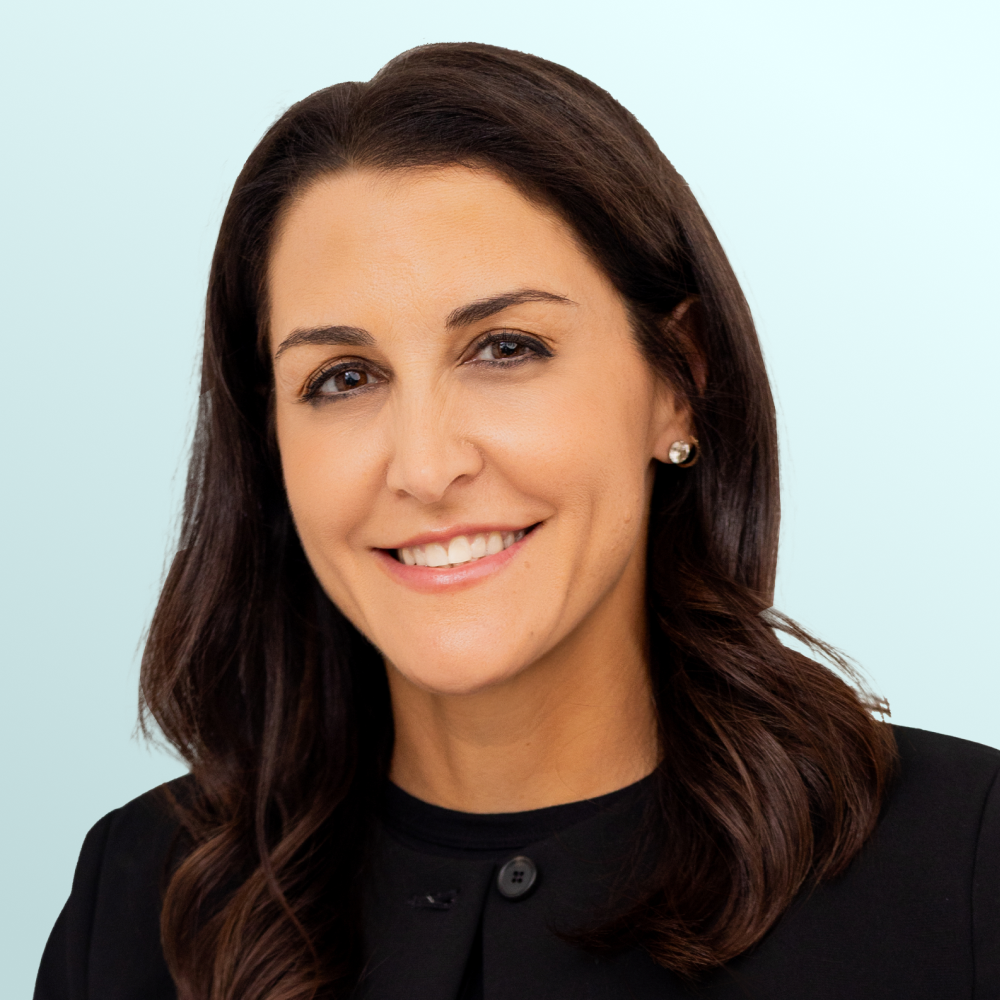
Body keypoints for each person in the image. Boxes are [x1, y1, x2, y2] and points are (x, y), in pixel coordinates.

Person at [35, 42, 999, 1000]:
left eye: (505, 348)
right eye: (344, 377)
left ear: (679, 383)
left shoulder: (964, 867)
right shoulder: (143, 899)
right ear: (272, 440)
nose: (425, 466)